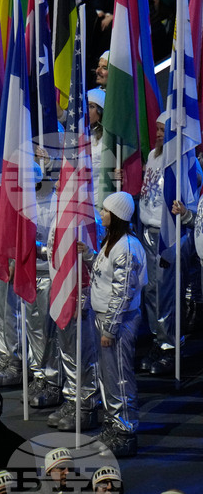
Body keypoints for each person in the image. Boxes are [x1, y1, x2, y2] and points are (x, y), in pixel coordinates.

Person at [83, 191, 146, 457]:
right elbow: (102, 275)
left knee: (119, 377)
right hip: (104, 319)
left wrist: (110, 328)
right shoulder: (112, 241)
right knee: (107, 377)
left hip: (118, 323)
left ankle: (125, 429)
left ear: (118, 215)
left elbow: (123, 293)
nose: (102, 214)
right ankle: (113, 422)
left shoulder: (128, 248)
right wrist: (88, 254)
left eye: (106, 210)